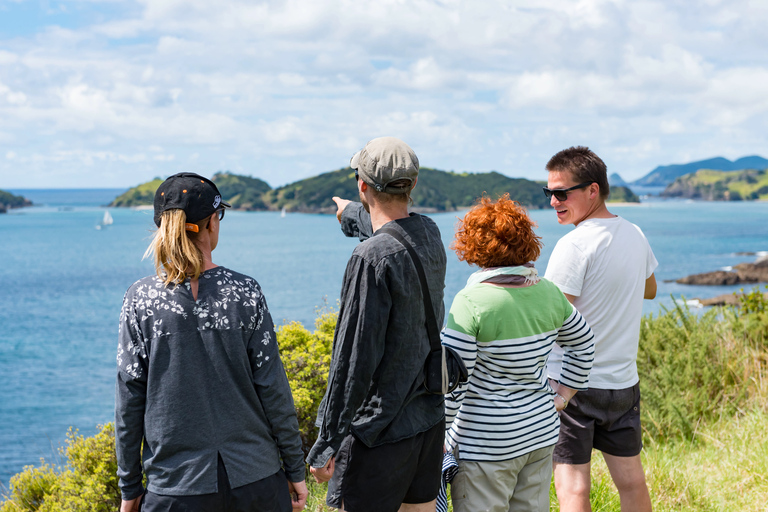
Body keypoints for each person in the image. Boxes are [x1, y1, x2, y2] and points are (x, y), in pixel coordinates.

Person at [115, 172, 307, 512]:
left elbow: (130, 399)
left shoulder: (140, 299)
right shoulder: (246, 292)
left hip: (175, 490)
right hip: (257, 482)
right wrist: (294, 468)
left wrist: (130, 489)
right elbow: (274, 389)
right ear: (211, 224)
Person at [306, 137, 447, 512]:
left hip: (379, 433)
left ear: (362, 184)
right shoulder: (430, 233)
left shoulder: (369, 259)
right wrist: (353, 213)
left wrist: (326, 442)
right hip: (429, 420)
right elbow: (395, 236)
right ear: (412, 184)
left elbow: (352, 361)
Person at [441, 194, 595, 512]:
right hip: (539, 433)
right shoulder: (549, 292)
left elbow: (453, 381)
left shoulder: (471, 301)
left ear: (475, 247)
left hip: (484, 443)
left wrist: (441, 431)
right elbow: (584, 343)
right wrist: (563, 396)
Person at [543, 147, 658, 512]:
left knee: (574, 490)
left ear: (593, 190)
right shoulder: (634, 233)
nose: (554, 201)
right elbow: (650, 288)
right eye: (549, 193)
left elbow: (547, 318)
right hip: (622, 383)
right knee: (632, 482)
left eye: (563, 193)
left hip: (571, 385)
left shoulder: (574, 245)